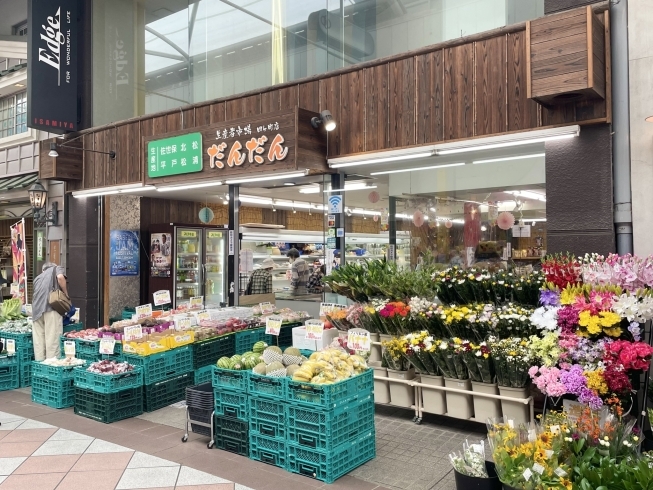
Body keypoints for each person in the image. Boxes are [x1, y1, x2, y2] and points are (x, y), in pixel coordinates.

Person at [32, 262, 67, 360]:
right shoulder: (56, 268)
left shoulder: (37, 278)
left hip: (35, 312)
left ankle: (40, 369)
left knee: (39, 343)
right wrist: (65, 293)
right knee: (52, 340)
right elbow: (60, 277)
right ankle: (51, 370)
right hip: (51, 308)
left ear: (43, 270)